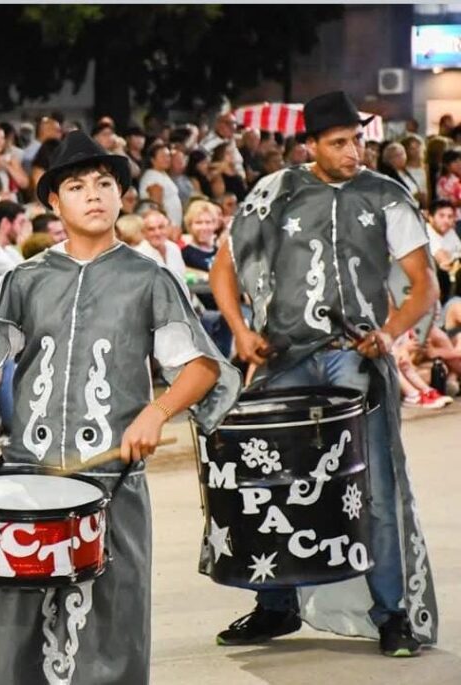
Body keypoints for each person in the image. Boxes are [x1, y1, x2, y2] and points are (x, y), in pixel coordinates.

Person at [0, 130, 238, 685]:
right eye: (77, 186)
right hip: (32, 477)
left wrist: (156, 410)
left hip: (112, 480)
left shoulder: (148, 277)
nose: (94, 194)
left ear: (122, 195)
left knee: (112, 621)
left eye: (105, 183)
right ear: (54, 202)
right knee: (18, 625)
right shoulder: (25, 279)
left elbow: (201, 368)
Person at [209, 90, 439, 657]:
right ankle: (275, 606)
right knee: (274, 481)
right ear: (310, 144)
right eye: (339, 142)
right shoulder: (274, 192)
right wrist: (240, 333)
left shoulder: (388, 195)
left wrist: (389, 333)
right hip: (284, 356)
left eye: (357, 139)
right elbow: (223, 268)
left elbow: (422, 282)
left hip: (354, 354)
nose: (353, 151)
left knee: (374, 486)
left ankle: (392, 615)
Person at [139, 142, 182, 228]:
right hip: (165, 226)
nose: (167, 159)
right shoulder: (152, 177)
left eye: (168, 156)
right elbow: (155, 205)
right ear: (152, 160)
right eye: (163, 156)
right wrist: (163, 224)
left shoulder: (162, 174)